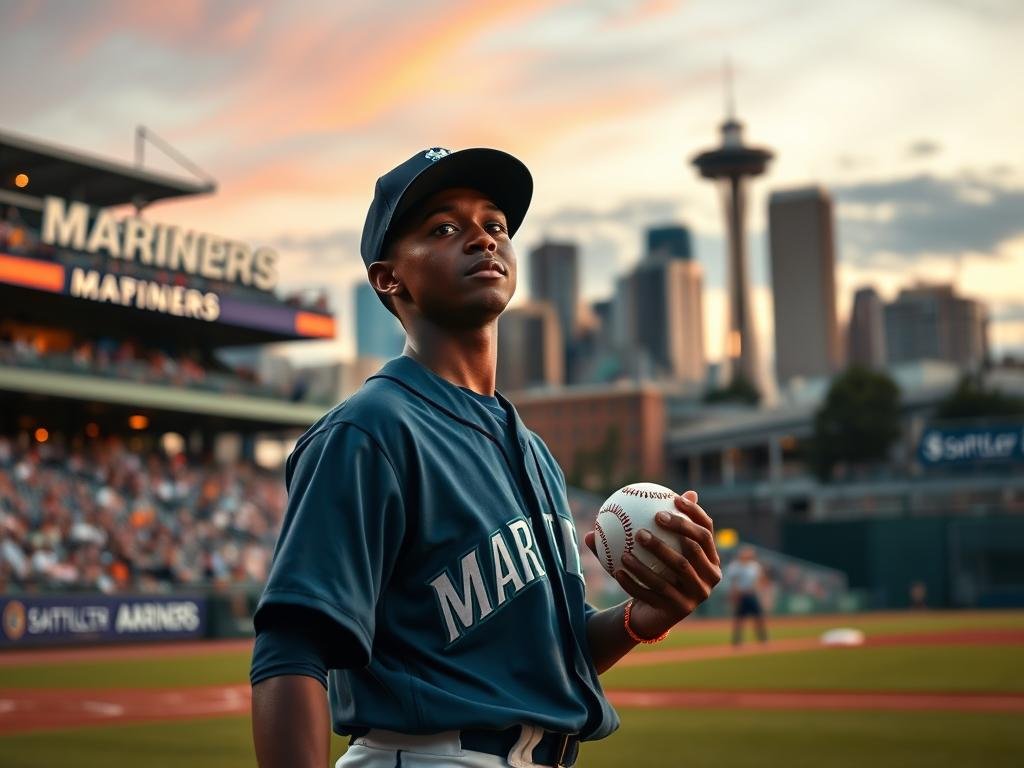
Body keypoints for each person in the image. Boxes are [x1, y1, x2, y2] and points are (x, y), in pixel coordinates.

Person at [249, 147, 723, 768]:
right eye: (444, 228)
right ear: (388, 278)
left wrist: (642, 617)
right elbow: (291, 649)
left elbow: (551, 652)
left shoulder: (531, 450)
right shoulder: (370, 430)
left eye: (495, 225)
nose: (481, 238)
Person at [725, 546, 769, 646]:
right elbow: (733, 583)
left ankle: (763, 639)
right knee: (739, 619)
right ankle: (737, 641)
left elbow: (759, 580)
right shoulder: (735, 566)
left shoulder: (754, 566)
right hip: (741, 595)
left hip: (752, 595)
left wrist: (760, 592)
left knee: (759, 617)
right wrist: (733, 596)